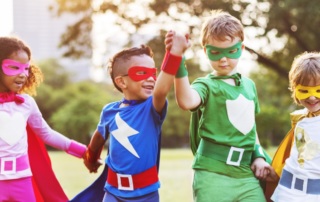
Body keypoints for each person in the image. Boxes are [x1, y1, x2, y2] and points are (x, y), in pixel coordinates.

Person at [165, 10, 275, 202]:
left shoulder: (249, 85)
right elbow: (187, 101)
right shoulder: (206, 85)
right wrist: (178, 60)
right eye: (215, 53)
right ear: (205, 50)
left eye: (231, 51)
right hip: (212, 172)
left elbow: (250, 128)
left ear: (241, 46)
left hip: (245, 174)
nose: (223, 59)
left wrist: (258, 156)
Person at [81, 36, 190, 202]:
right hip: (112, 192)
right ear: (121, 82)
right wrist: (91, 157)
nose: (151, 78)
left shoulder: (152, 108)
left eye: (153, 74)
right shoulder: (109, 111)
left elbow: (161, 90)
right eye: (141, 73)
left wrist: (174, 53)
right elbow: (99, 136)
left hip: (146, 195)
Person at [0, 36, 87, 202]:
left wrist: (83, 151)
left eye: (26, 69)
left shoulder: (26, 103)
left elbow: (46, 133)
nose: (22, 75)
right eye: (14, 67)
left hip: (23, 180)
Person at [269, 52, 320, 202]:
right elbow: (297, 153)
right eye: (304, 90)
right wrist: (275, 173)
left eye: (318, 90)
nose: (311, 97)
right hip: (287, 191)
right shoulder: (300, 118)